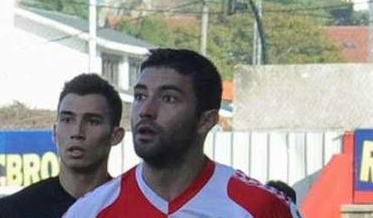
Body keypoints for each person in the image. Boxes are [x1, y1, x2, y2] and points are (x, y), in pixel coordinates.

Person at [64, 48, 300, 217]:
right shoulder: (89, 211)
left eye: (169, 98)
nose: (146, 110)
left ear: (206, 121)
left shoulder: (262, 208)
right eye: (140, 96)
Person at [0, 74, 125, 217]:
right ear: (54, 132)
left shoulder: (135, 209)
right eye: (67, 119)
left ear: (116, 135)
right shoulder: (12, 211)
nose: (77, 132)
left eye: (92, 121)